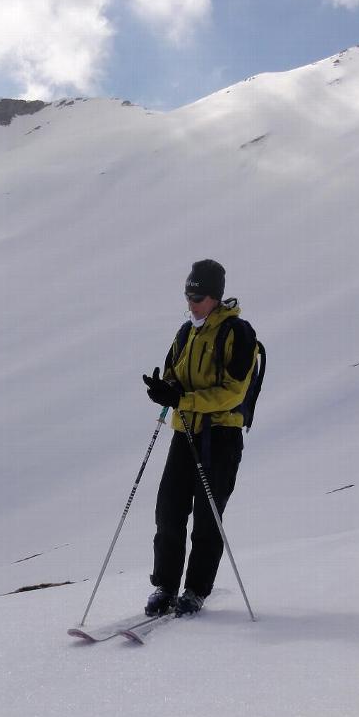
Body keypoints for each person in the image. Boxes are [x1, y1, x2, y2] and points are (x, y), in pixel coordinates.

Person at [142, 259, 259, 618]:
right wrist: (167, 389)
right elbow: (176, 374)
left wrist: (183, 400)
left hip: (221, 436)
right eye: (188, 295)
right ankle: (165, 586)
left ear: (215, 297)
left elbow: (233, 394)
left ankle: (195, 590)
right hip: (185, 432)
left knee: (208, 517)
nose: (191, 303)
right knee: (169, 510)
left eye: (198, 297)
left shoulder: (239, 334)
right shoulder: (185, 333)